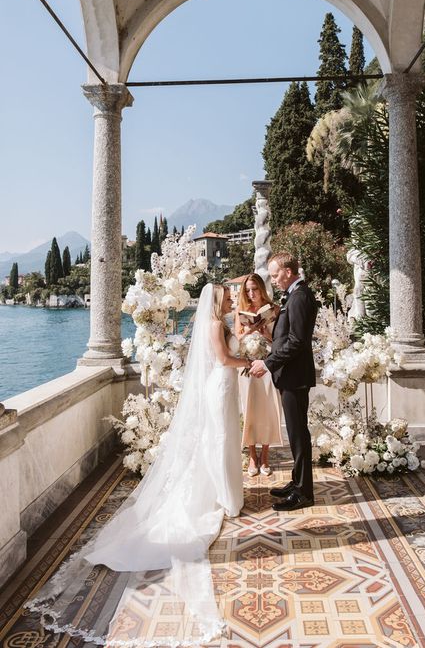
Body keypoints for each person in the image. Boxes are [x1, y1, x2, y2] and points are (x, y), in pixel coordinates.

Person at [25, 283, 249, 646]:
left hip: (223, 387)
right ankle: (222, 494)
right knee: (218, 440)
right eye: (227, 296)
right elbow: (224, 360)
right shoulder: (212, 327)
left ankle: (223, 492)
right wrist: (249, 362)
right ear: (217, 299)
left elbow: (229, 345)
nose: (230, 300)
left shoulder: (220, 322)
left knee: (220, 440)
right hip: (221, 384)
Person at [250, 253, 318, 512]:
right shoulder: (295, 294)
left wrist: (267, 363)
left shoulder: (300, 297)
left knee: (299, 435)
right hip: (291, 375)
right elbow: (287, 337)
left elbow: (298, 341)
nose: (274, 280)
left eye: (276, 274)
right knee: (295, 433)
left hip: (295, 377)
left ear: (289, 272)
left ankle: (304, 493)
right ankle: (297, 482)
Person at [235, 273, 283, 476]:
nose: (251, 293)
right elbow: (235, 340)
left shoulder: (274, 310)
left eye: (254, 289)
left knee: (268, 410)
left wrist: (264, 333)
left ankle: (265, 456)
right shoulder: (240, 311)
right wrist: (249, 330)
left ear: (262, 289)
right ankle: (252, 456)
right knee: (249, 410)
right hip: (246, 366)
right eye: (248, 290)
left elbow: (280, 342)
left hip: (267, 366)